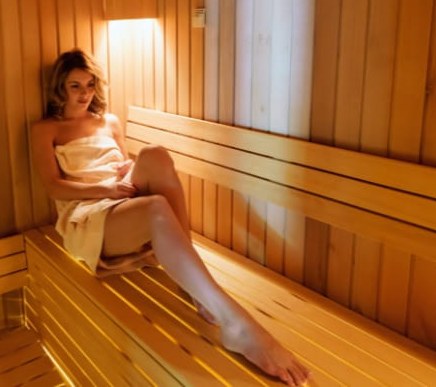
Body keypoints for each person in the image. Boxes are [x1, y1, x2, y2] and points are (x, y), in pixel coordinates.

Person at [30, 49, 311, 386]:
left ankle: (193, 283)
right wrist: (105, 187)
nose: (84, 93)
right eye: (75, 86)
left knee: (155, 155)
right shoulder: (46, 129)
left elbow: (123, 166)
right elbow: (53, 188)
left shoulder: (110, 121)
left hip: (120, 198)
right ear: (59, 87)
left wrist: (128, 169)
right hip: (88, 213)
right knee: (157, 208)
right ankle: (235, 324)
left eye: (89, 85)